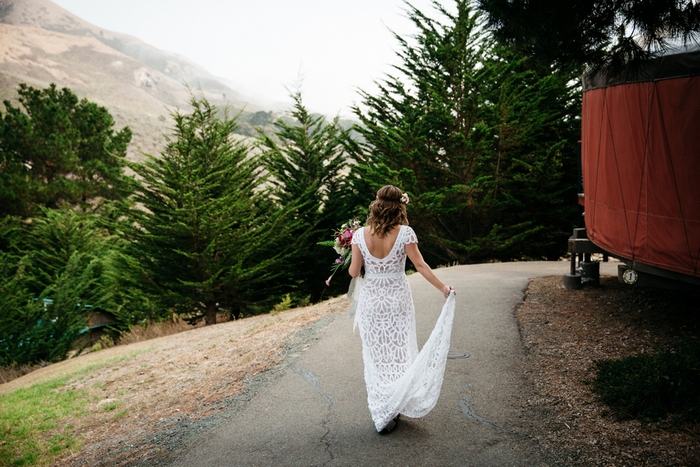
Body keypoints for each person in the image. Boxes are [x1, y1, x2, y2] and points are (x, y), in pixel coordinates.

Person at [349, 185, 456, 433]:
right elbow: (420, 265)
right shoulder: (406, 233)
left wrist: (353, 256)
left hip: (372, 303)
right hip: (397, 301)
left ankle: (384, 411)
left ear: (376, 205)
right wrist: (443, 287)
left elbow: (354, 273)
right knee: (399, 354)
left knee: (377, 358)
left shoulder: (359, 235)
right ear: (400, 206)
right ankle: (394, 406)